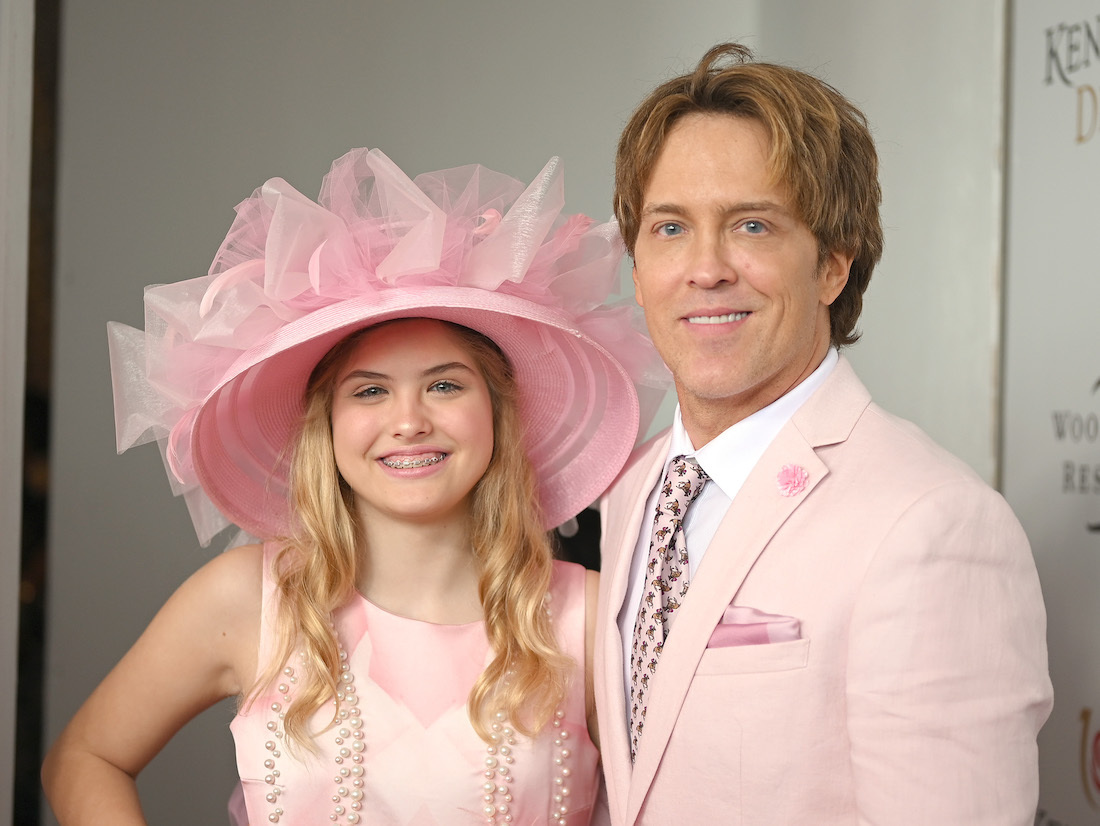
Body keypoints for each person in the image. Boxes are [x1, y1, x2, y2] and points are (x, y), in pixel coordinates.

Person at [41, 148, 664, 825]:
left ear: (498, 413)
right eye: (370, 391)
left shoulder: (593, 618)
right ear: (326, 426)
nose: (408, 421)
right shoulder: (245, 601)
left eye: (445, 385)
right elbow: (85, 757)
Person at [593, 43, 1054, 825]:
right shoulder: (630, 489)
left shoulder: (935, 524)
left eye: (751, 225)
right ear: (636, 268)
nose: (705, 268)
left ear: (835, 265)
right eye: (669, 228)